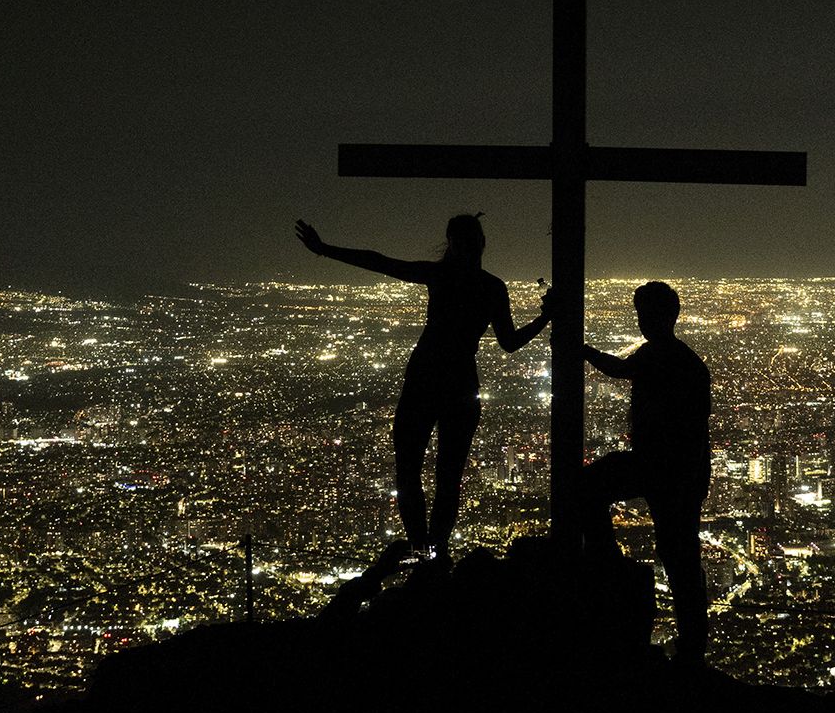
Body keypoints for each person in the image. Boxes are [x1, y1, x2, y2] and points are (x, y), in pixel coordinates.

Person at [295, 213, 549, 565]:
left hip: (425, 379)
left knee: (409, 468)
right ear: (481, 243)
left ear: (451, 242)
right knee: (448, 477)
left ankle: (421, 550)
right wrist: (545, 318)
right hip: (460, 384)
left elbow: (381, 262)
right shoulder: (491, 286)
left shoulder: (441, 275)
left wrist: (324, 250)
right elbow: (510, 342)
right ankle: (437, 551)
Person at [576, 281, 713, 664]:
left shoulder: (660, 357)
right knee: (680, 557)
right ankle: (692, 650)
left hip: (662, 469)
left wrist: (581, 349)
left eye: (645, 314)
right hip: (677, 472)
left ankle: (605, 561)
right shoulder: (683, 360)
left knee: (589, 488)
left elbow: (618, 368)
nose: (642, 321)